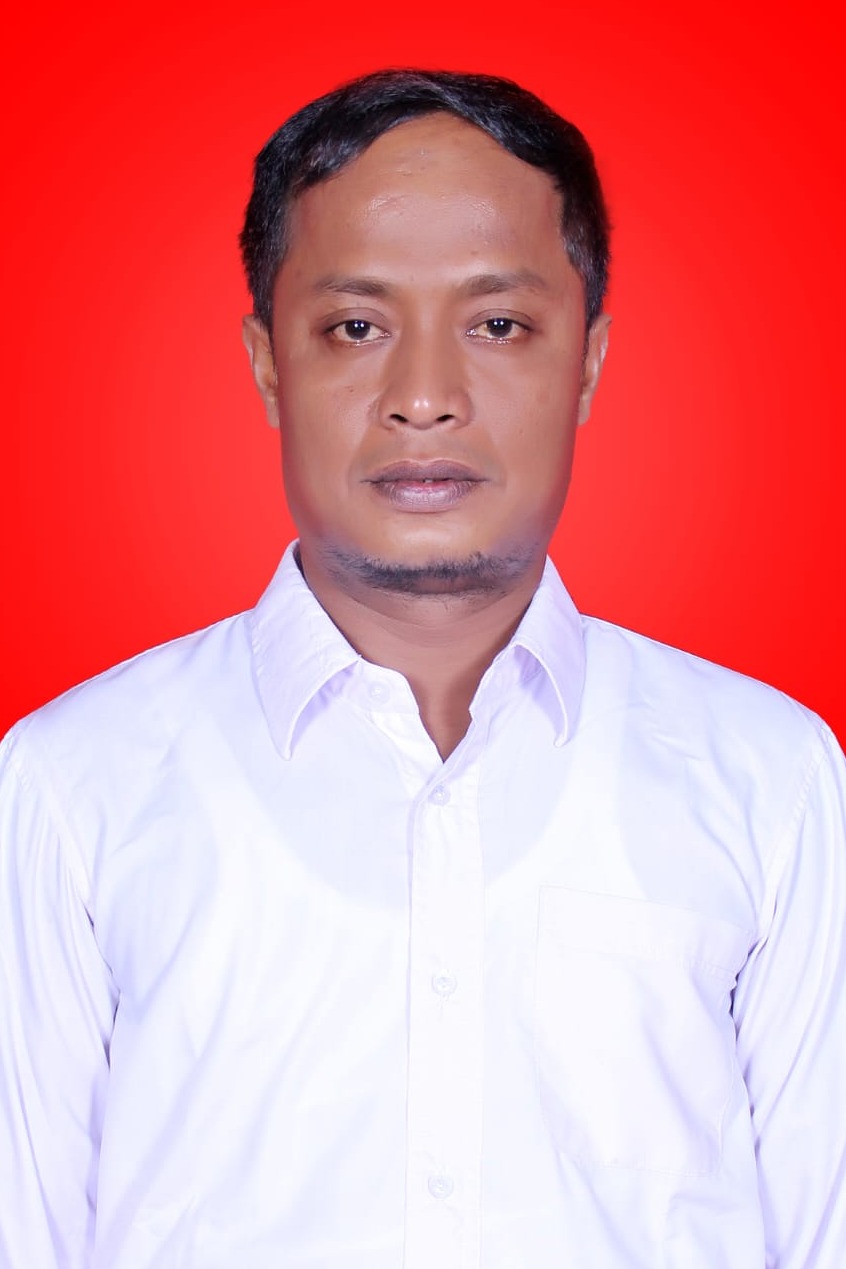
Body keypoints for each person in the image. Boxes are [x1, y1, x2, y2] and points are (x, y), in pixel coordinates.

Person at [1, 68, 844, 1269]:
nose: (426, 400)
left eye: (498, 326)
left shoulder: (773, 780)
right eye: (357, 327)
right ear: (266, 362)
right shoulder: (68, 787)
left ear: (590, 361)